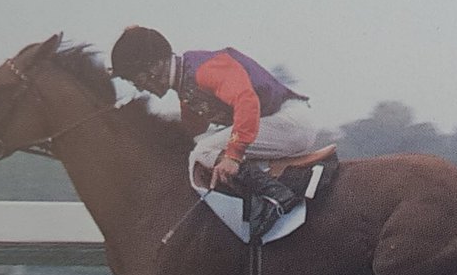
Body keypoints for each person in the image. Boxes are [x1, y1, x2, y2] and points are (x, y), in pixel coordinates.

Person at [110, 26, 318, 237]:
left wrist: (233, 156)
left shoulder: (204, 69)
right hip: (277, 122)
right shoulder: (186, 87)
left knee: (204, 150)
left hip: (291, 122)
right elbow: (192, 134)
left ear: (151, 68)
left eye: (135, 79)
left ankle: (276, 197)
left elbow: (246, 101)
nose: (139, 87)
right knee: (200, 145)